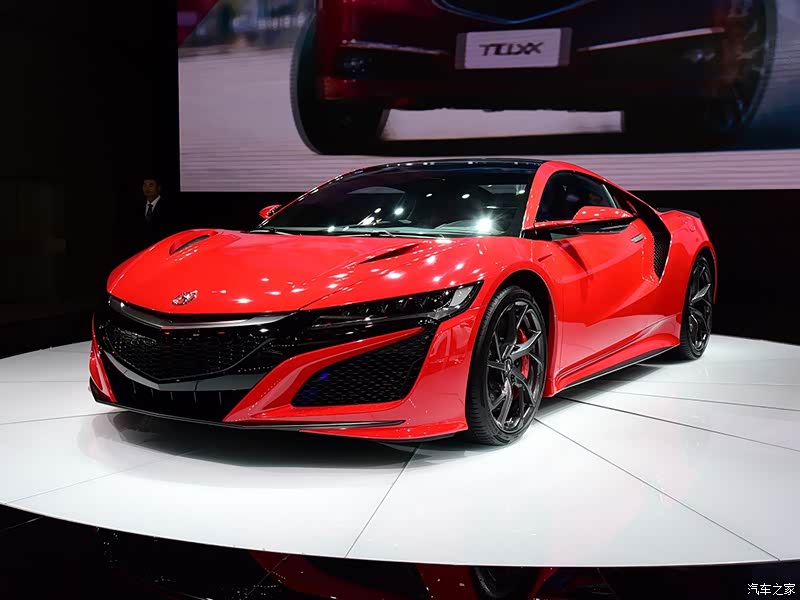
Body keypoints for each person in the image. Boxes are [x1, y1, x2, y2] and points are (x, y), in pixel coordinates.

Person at [139, 176, 179, 250]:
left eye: (151, 185)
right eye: (145, 185)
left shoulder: (169, 207)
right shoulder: (138, 205)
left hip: (161, 248)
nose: (147, 188)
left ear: (158, 188)